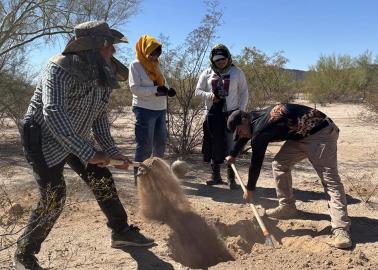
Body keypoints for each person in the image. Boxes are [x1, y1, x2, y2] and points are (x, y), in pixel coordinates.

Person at [14, 21, 154, 270]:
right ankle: (24, 253)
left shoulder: (104, 72)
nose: (113, 51)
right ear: (95, 46)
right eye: (110, 46)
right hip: (41, 136)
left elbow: (99, 118)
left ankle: (121, 232)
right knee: (54, 195)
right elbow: (53, 113)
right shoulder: (57, 68)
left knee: (102, 178)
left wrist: (111, 153)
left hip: (75, 135)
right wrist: (88, 152)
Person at [225, 103, 352, 249]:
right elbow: (247, 135)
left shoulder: (262, 128)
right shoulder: (254, 118)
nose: (241, 136)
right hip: (300, 136)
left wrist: (250, 189)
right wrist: (233, 154)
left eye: (239, 131)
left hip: (321, 133)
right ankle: (287, 207)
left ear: (245, 119)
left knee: (330, 180)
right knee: (280, 164)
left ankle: (341, 229)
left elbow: (256, 162)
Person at [195, 44, 249, 189]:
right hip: (212, 115)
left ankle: (231, 178)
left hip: (231, 114)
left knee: (231, 145)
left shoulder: (237, 72)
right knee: (214, 144)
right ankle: (216, 176)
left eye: (223, 58)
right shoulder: (207, 73)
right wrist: (210, 96)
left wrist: (241, 112)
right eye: (217, 59)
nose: (221, 62)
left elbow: (244, 93)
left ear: (228, 57)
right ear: (212, 60)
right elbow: (198, 91)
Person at [129, 35, 176, 185]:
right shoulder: (135, 65)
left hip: (160, 109)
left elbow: (164, 83)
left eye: (157, 54)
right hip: (144, 109)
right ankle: (140, 179)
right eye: (152, 53)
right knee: (145, 145)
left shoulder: (156, 65)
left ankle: (155, 175)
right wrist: (156, 89)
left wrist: (168, 90)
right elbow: (134, 88)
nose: (154, 56)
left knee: (161, 142)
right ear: (144, 49)